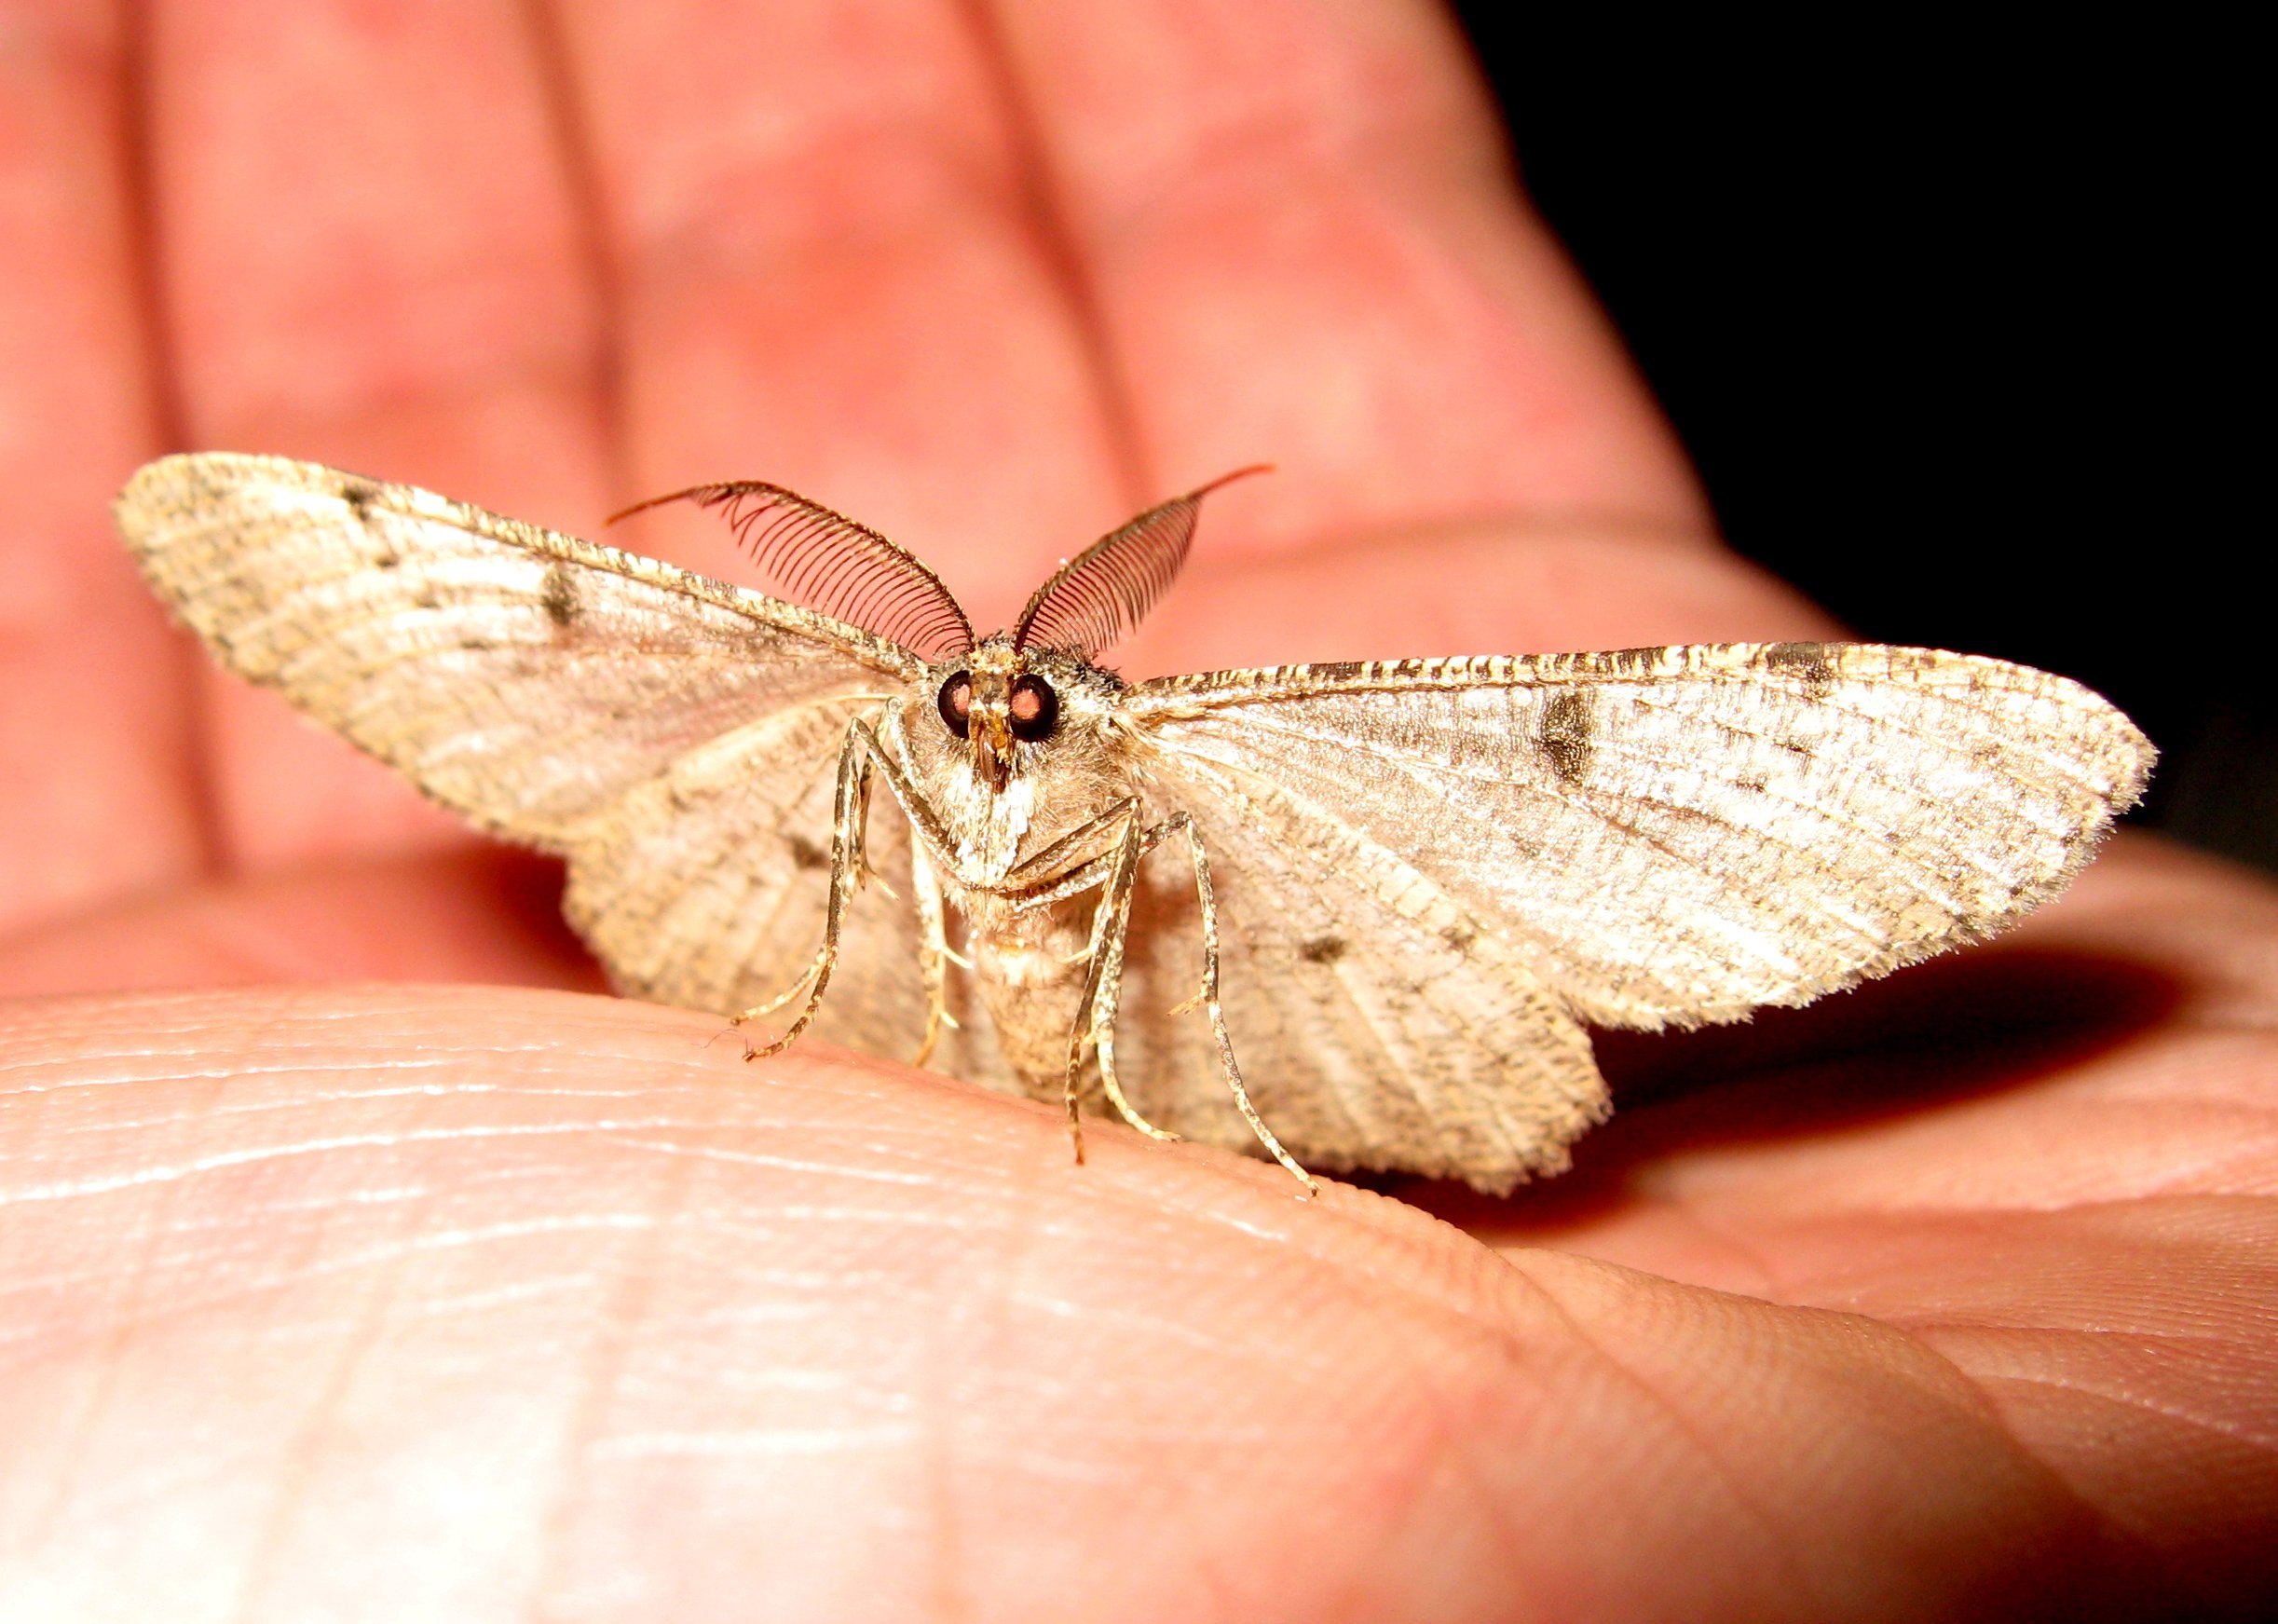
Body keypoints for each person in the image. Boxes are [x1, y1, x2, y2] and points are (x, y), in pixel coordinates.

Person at [1, 5, 2269, 1618]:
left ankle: (1249, 1129)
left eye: (1028, 704)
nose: (989, 732)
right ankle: (841, 992)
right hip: (812, 938)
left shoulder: (1205, 741)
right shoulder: (870, 703)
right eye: (960, 703)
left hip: (1292, 1014)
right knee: (767, 828)